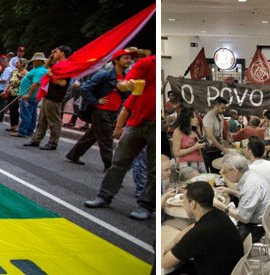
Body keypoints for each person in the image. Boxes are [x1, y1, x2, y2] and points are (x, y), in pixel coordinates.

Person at [84, 55, 155, 220]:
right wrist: (126, 84)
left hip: (155, 126)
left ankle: (146, 206)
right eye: (125, 58)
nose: (128, 61)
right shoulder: (147, 63)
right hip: (136, 122)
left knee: (153, 170)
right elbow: (123, 85)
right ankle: (104, 195)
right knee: (118, 162)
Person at [161, 181, 244, 275]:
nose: (183, 204)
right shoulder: (217, 215)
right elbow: (193, 226)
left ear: (193, 204)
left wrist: (170, 246)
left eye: (184, 200)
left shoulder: (200, 234)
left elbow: (165, 262)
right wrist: (174, 241)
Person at [65, 49, 132, 168]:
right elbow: (85, 88)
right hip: (101, 111)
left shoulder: (126, 77)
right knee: (107, 141)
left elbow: (125, 96)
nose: (129, 60)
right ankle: (111, 168)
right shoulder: (105, 75)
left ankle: (73, 155)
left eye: (129, 58)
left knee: (92, 135)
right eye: (125, 58)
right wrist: (96, 101)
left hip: (112, 112)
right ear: (116, 60)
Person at [214, 153, 270, 242]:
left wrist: (220, 205)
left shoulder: (251, 186)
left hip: (254, 227)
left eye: (225, 171)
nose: (224, 175)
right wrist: (230, 191)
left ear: (234, 171)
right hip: (257, 218)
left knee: (217, 234)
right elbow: (248, 195)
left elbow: (243, 218)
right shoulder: (251, 175)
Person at [24, 45, 71, 149]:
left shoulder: (66, 66)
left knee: (54, 122)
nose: (54, 53)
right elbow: (45, 67)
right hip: (48, 95)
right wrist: (51, 57)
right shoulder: (57, 64)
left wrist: (51, 76)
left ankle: (53, 143)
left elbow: (63, 83)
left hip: (55, 97)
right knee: (42, 120)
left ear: (62, 53)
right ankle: (36, 140)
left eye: (56, 52)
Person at [15, 53, 48, 138]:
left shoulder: (39, 71)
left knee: (26, 113)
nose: (33, 62)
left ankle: (22, 131)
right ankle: (29, 131)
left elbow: (36, 83)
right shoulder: (40, 69)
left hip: (29, 96)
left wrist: (28, 95)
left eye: (35, 61)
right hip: (33, 95)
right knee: (32, 114)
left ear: (38, 61)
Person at [168, 107, 206, 174]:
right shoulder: (178, 132)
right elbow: (176, 153)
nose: (196, 119)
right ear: (186, 119)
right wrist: (194, 147)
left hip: (200, 162)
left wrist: (204, 144)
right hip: (186, 164)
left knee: (209, 177)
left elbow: (200, 145)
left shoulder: (196, 129)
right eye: (193, 117)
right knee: (197, 177)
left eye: (196, 117)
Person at [201, 97, 230, 174]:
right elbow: (210, 136)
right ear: (216, 106)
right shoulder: (208, 117)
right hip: (210, 149)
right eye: (222, 108)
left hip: (218, 148)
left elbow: (222, 132)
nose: (224, 110)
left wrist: (230, 141)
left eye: (224, 108)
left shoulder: (220, 116)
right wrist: (223, 149)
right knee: (214, 172)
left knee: (221, 171)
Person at [2, 58, 27, 133]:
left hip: (18, 93)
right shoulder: (14, 72)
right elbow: (10, 82)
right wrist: (6, 91)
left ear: (22, 64)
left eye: (18, 63)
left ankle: (16, 126)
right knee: (11, 109)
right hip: (11, 92)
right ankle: (12, 125)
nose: (16, 64)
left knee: (14, 109)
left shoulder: (26, 73)